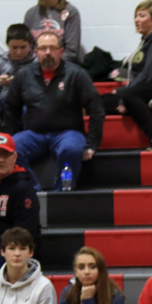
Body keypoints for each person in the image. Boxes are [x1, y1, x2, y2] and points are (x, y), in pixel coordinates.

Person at [3, 31, 104, 192]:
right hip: (33, 134)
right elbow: (11, 108)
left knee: (71, 149)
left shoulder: (76, 74)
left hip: (68, 133)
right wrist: (9, 137)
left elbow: (96, 110)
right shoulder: (24, 75)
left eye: (52, 48)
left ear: (61, 51)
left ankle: (63, 193)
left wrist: (92, 143)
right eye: (43, 48)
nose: (48, 52)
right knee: (9, 151)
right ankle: (32, 192)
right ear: (36, 51)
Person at [101, 0, 152, 151]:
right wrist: (121, 90)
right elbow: (139, 75)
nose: (136, 20)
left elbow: (148, 75)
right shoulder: (146, 42)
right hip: (146, 92)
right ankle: (142, 109)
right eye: (136, 16)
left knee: (129, 96)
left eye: (142, 16)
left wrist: (123, 94)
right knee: (100, 102)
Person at [0, 134, 40, 242]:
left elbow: (25, 234)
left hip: (13, 248)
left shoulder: (24, 189)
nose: (1, 160)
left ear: (15, 157)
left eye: (5, 154)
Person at [0, 25, 36, 115]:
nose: (19, 52)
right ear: (8, 45)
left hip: (27, 101)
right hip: (4, 99)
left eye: (23, 47)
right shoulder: (2, 61)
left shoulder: (37, 62)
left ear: (30, 45)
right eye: (14, 48)